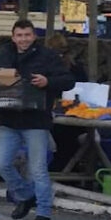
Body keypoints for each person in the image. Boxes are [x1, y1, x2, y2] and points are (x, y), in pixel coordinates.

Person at [0, 20, 74, 220]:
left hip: (36, 121)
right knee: (0, 164)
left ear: (34, 36)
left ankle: (44, 214)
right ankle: (26, 195)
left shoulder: (47, 56)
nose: (23, 39)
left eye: (27, 35)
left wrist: (48, 82)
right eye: (19, 35)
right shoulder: (3, 53)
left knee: (38, 169)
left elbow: (68, 80)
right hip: (9, 120)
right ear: (13, 37)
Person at [46, 32, 89, 172]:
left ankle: (64, 170)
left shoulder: (68, 69)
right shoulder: (75, 67)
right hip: (66, 115)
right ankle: (67, 169)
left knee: (65, 140)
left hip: (70, 115)